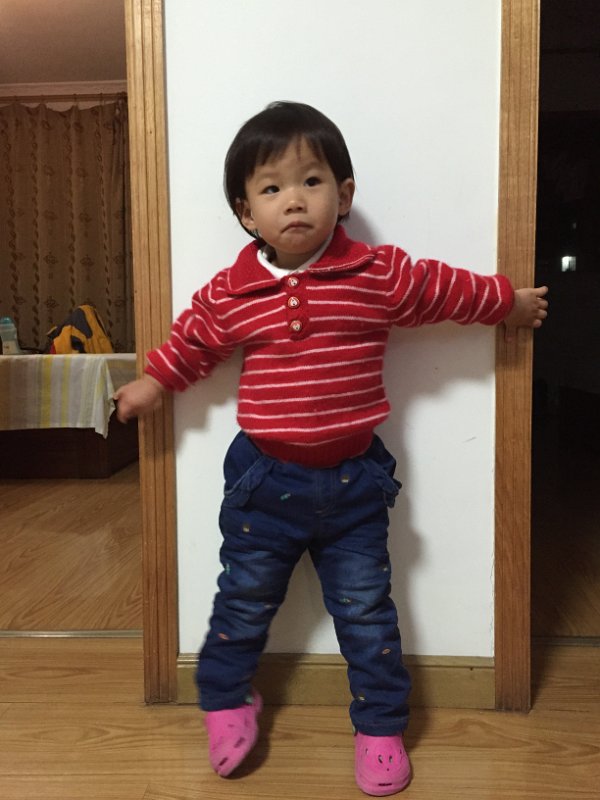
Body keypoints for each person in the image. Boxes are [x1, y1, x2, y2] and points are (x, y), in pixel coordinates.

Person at [114, 101, 548, 796]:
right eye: (271, 188)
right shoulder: (233, 292)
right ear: (246, 212)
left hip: (353, 486)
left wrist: (508, 303)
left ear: (343, 196)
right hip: (263, 484)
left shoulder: (376, 274)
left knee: (367, 612)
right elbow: (193, 341)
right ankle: (227, 701)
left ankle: (380, 726)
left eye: (311, 181)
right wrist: (152, 384)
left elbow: (443, 289)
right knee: (241, 604)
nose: (293, 200)